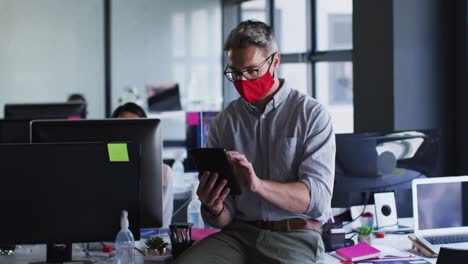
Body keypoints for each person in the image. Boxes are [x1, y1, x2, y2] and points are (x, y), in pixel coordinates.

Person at [174, 20, 335, 264]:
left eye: (252, 71)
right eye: (236, 73)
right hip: (238, 235)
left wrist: (258, 185)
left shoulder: (311, 115)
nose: (243, 80)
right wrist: (214, 207)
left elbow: (318, 200)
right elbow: (222, 218)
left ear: (275, 61)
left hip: (294, 236)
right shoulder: (224, 122)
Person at [111, 102, 173, 228]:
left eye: (133, 127)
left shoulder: (163, 173)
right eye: (122, 126)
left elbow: (163, 225)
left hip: (149, 243)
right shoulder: (102, 168)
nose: (127, 133)